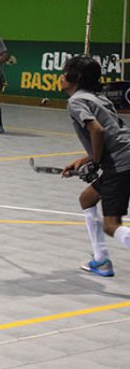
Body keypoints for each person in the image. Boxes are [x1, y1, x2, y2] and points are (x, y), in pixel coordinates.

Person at [60, 56, 130, 277]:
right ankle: (101, 260)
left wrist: (96, 162)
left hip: (120, 164)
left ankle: (102, 260)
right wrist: (87, 159)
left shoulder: (77, 101)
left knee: (111, 225)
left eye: (65, 72)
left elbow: (98, 131)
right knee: (87, 199)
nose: (61, 76)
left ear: (76, 78)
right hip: (124, 157)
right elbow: (111, 133)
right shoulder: (98, 98)